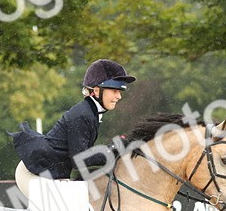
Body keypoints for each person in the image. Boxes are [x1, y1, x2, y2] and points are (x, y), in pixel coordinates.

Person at [10, 58, 136, 197]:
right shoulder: (83, 115)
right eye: (114, 91)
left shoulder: (92, 113)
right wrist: (110, 151)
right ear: (96, 90)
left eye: (120, 91)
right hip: (32, 172)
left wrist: (112, 151)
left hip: (50, 173)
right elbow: (79, 160)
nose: (119, 96)